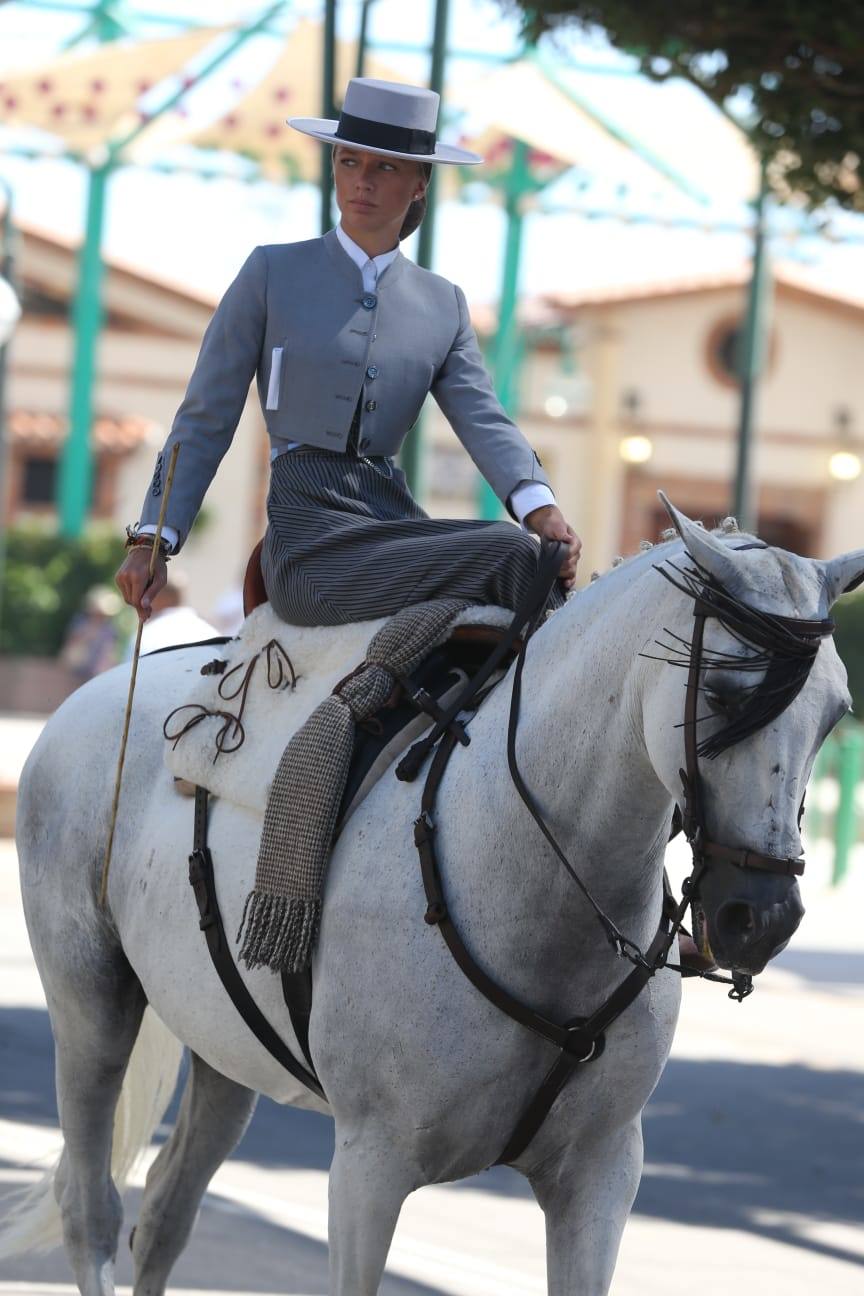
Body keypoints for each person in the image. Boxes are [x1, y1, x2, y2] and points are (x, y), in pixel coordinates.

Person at [116, 77, 581, 628]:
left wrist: (540, 507)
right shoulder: (271, 273)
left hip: (393, 524)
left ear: (419, 184)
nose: (362, 181)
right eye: (349, 161)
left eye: (385, 167)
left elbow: (483, 419)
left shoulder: (443, 305)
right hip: (307, 543)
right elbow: (206, 414)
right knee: (511, 553)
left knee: (530, 555)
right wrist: (153, 537)